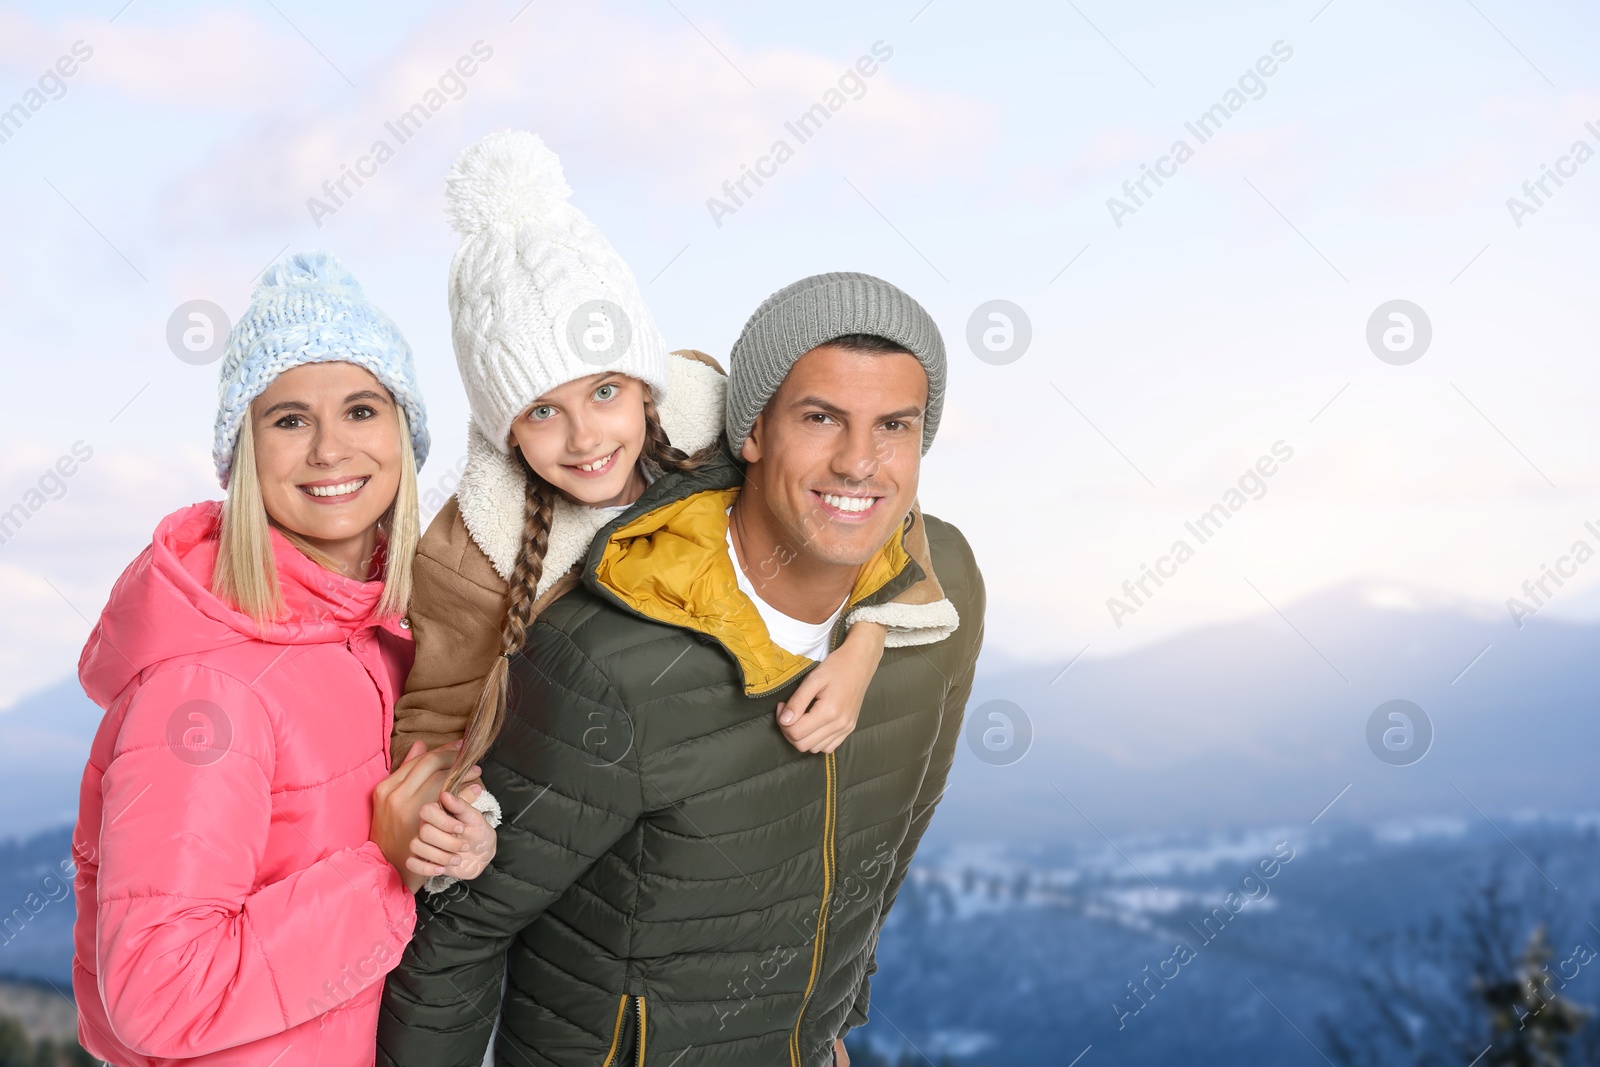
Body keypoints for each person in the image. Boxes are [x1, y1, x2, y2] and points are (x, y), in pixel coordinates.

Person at [378, 269, 985, 1067]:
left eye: (894, 426)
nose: (859, 462)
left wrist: (830, 1019)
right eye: (820, 418)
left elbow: (886, 847)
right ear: (753, 431)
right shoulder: (607, 659)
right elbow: (460, 934)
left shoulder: (943, 601)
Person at [388, 133, 959, 898]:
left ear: (645, 384)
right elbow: (432, 713)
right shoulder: (470, 552)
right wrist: (455, 814)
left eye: (604, 392)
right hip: (586, 837)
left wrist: (865, 637)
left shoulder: (717, 424)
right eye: (543, 410)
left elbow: (868, 500)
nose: (586, 436)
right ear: (504, 426)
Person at [70, 251, 492, 1066]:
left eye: (363, 409)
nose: (331, 448)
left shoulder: (379, 638)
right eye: (290, 419)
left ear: (404, 436)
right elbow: (159, 995)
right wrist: (385, 870)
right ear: (244, 453)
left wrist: (453, 844)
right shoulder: (208, 686)